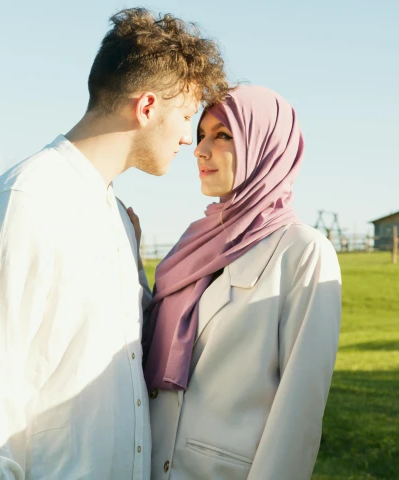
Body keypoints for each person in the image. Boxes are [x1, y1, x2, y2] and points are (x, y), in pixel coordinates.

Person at [0, 8, 228, 479]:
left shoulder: (114, 215)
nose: (186, 140)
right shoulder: (23, 208)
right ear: (148, 107)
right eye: (186, 117)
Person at [141, 85, 342, 479]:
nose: (200, 150)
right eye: (200, 135)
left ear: (266, 146)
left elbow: (299, 411)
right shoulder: (193, 244)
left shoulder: (302, 252)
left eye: (223, 135)